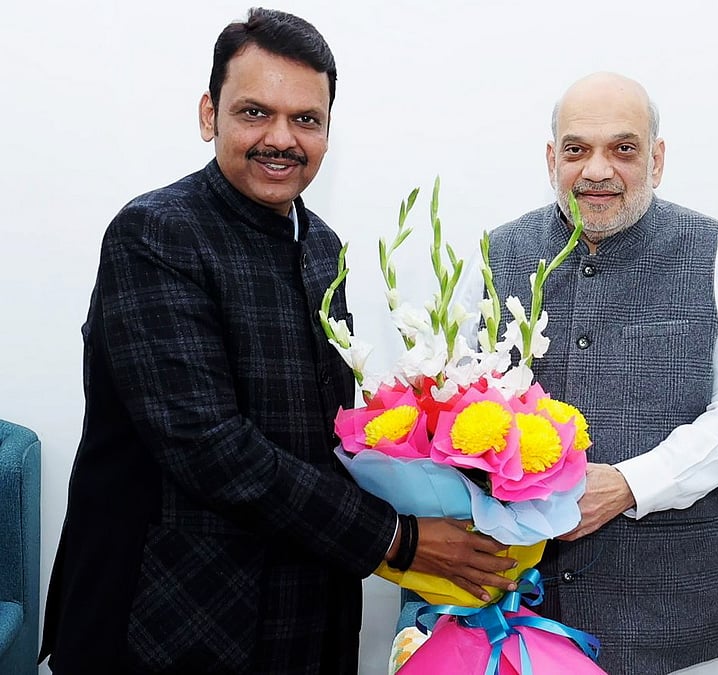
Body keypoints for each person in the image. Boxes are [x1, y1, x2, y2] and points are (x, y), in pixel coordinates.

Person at [40, 8, 515, 673]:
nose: (282, 139)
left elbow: (322, 437)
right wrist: (398, 538)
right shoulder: (155, 234)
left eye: (306, 120)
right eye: (255, 112)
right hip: (171, 616)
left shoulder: (321, 246)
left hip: (304, 608)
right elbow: (212, 448)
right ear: (210, 115)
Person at [486, 72, 718, 675]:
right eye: (577, 150)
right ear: (551, 159)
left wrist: (629, 484)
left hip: (681, 624)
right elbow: (465, 399)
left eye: (623, 149)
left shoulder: (711, 250)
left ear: (657, 158)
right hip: (523, 619)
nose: (598, 170)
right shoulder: (499, 254)